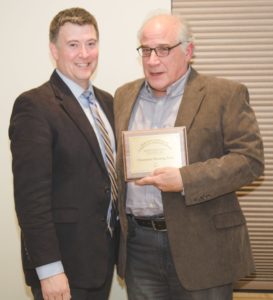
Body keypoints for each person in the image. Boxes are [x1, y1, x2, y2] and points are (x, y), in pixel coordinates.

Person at [114, 13, 264, 300]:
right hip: (139, 246)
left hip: (203, 244)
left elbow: (250, 160)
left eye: (163, 49)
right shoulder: (124, 95)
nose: (153, 60)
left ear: (189, 51)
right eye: (146, 50)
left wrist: (185, 179)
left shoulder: (224, 94)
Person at [9, 7, 119, 300]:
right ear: (54, 50)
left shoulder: (108, 103)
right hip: (63, 267)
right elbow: (31, 198)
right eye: (73, 45)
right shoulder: (35, 106)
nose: (84, 53)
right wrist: (49, 270)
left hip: (101, 258)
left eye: (91, 43)